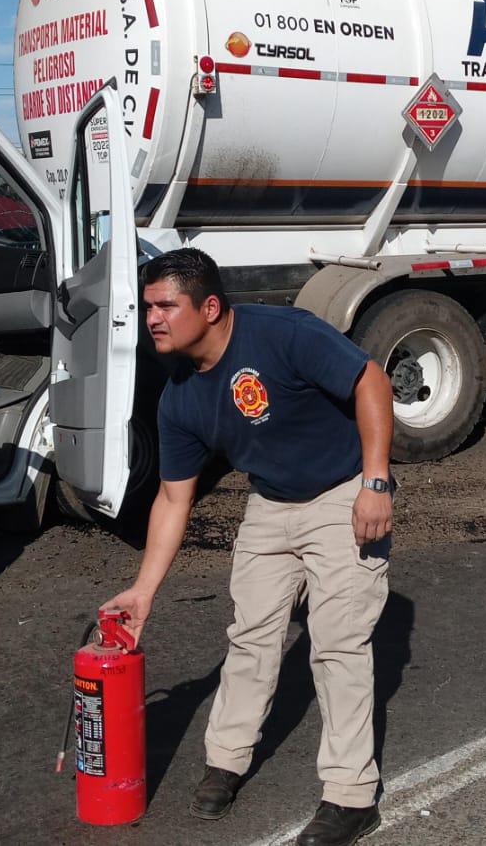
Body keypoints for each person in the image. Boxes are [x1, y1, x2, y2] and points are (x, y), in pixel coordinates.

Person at [101, 247, 395, 846]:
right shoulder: (179, 394)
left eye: (165, 306)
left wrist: (375, 481)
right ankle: (227, 760)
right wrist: (144, 592)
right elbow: (172, 501)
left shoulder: (282, 334)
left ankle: (351, 796)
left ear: (209, 308)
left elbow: (371, 379)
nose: (152, 318)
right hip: (270, 504)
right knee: (251, 636)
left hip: (343, 493)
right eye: (148, 306)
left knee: (338, 646)